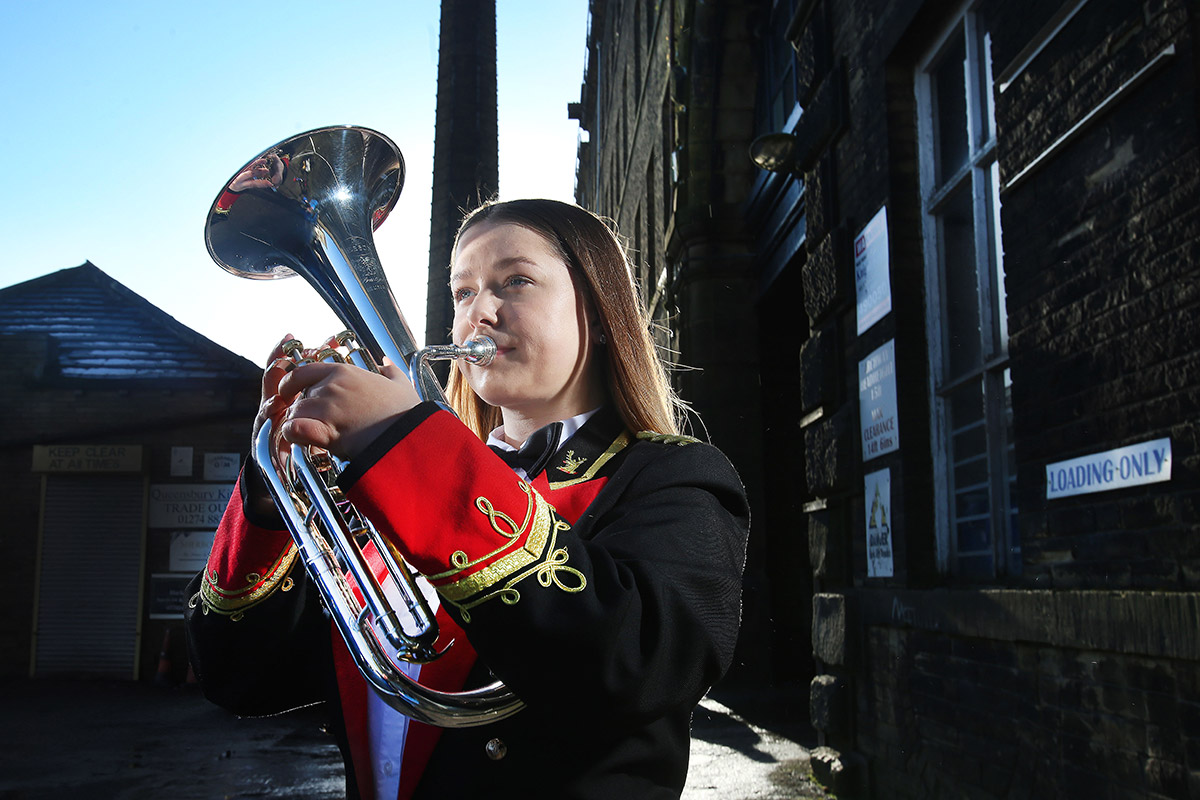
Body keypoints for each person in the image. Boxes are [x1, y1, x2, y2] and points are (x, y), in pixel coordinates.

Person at [185, 198, 749, 800]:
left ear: (602, 312)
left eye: (516, 281)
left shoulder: (675, 475)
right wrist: (272, 499)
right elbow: (240, 678)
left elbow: (640, 663)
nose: (479, 312)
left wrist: (406, 447)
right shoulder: (388, 492)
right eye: (462, 293)